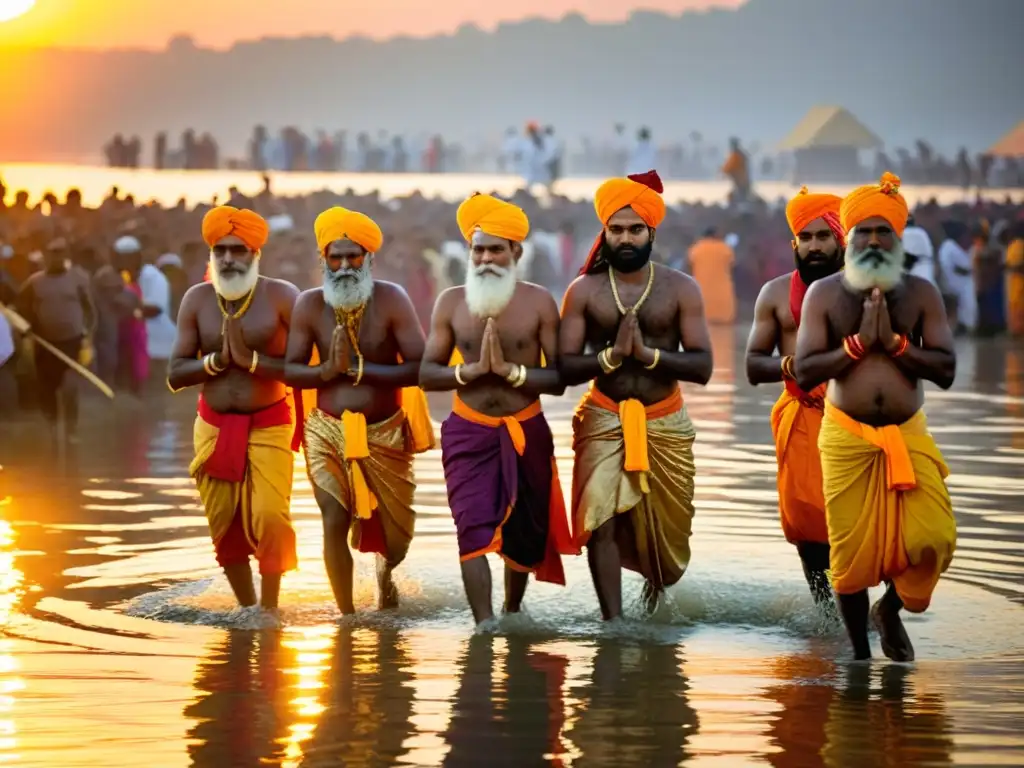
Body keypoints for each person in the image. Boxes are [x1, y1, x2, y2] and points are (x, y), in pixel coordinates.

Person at [794, 172, 957, 661]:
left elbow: (947, 370)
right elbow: (805, 371)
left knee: (934, 538)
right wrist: (860, 345)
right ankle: (860, 655)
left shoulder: (922, 293)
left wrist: (896, 345)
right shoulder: (824, 295)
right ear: (848, 239)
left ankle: (888, 610)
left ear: (898, 238)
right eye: (862, 231)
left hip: (908, 434)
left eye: (882, 231)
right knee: (847, 560)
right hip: (846, 438)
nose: (871, 240)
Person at [559, 171, 713, 619]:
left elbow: (703, 366)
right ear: (604, 233)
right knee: (599, 521)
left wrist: (646, 354)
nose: (625, 238)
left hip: (665, 419)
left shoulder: (680, 288)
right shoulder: (583, 291)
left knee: (662, 532)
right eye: (616, 229)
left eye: (635, 229)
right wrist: (609, 358)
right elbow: (564, 368)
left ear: (651, 233)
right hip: (603, 417)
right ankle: (614, 623)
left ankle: (653, 602)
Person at [419, 193, 574, 629]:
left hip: (526, 429)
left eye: (495, 249)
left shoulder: (540, 301)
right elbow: (427, 373)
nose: (486, 257)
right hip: (469, 432)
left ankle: (511, 613)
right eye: (478, 249)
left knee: (524, 537)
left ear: (516, 253)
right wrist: (469, 373)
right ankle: (484, 627)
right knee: (471, 529)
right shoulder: (450, 302)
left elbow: (560, 378)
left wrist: (512, 372)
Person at [284, 206, 434, 615]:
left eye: (354, 256)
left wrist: (360, 369)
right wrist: (327, 371)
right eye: (337, 257)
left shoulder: (392, 299)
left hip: (386, 431)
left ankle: (385, 578)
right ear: (324, 260)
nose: (346, 265)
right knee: (333, 516)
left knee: (397, 538)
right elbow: (291, 371)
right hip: (325, 431)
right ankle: (346, 615)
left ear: (370, 258)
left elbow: (421, 366)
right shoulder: (309, 305)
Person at [167, 206, 301, 617]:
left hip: (270, 422)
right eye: (220, 250)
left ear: (255, 253)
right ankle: (248, 610)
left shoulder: (281, 296)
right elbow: (175, 374)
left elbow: (307, 367)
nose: (228, 258)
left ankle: (271, 609)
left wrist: (254, 362)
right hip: (213, 425)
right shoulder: (197, 299)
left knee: (271, 517)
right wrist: (216, 364)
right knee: (223, 523)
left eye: (238, 250)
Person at [745, 187, 845, 605]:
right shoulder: (774, 294)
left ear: (842, 240)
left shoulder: (864, 292)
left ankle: (871, 608)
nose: (814, 246)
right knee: (809, 525)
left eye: (824, 237)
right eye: (806, 238)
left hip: (854, 418)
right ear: (794, 243)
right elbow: (753, 365)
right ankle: (826, 615)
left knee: (865, 519)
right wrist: (794, 366)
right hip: (803, 414)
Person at [15, 237, 95, 442]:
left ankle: (70, 430)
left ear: (65, 255)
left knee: (70, 387)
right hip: (45, 344)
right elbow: (20, 306)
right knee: (46, 388)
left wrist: (88, 335)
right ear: (46, 257)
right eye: (52, 254)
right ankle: (52, 427)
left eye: (60, 253)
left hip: (72, 341)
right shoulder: (35, 282)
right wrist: (28, 328)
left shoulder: (78, 278)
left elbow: (90, 310)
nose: (56, 258)